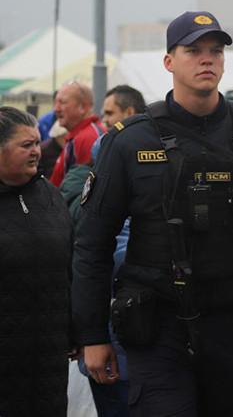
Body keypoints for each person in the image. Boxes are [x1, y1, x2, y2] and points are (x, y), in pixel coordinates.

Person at [72, 10, 233, 415]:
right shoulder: (131, 141)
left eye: (216, 51)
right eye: (194, 50)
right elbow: (92, 243)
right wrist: (93, 335)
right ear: (169, 61)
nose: (207, 59)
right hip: (157, 322)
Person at [63, 88, 145, 417]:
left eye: (109, 113)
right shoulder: (106, 197)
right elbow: (97, 260)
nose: (104, 120)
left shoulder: (86, 185)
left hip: (118, 339)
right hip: (118, 337)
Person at [0, 106, 77, 416]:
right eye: (26, 145)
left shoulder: (50, 196)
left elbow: (71, 268)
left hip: (48, 354)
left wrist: (76, 328)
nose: (36, 151)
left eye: (36, 143)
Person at [50, 80, 106, 187]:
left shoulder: (87, 138)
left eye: (62, 102)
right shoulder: (81, 135)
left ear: (83, 107)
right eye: (55, 102)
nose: (56, 109)